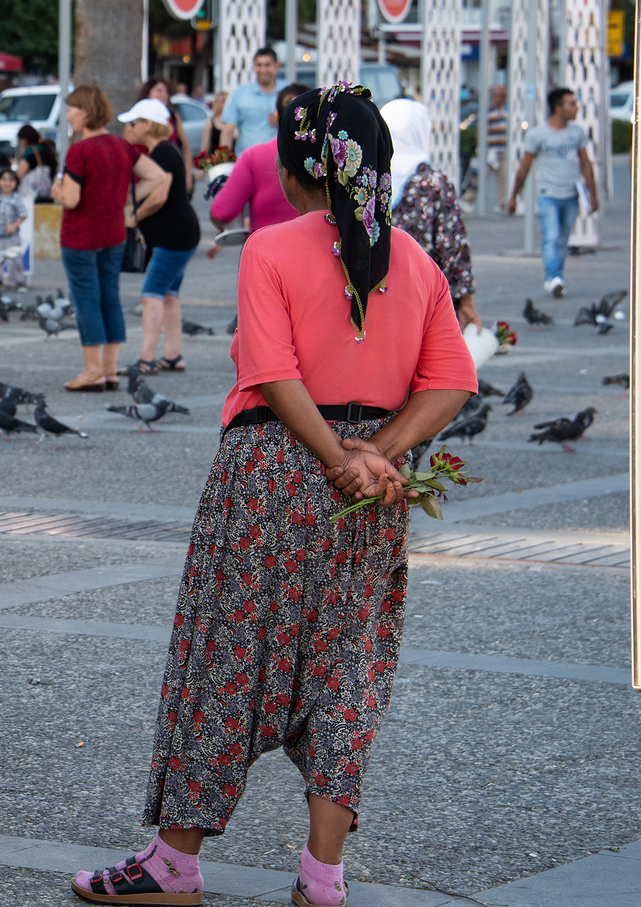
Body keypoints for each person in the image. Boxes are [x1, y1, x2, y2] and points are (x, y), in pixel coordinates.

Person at [71, 83, 474, 907]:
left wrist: (333, 457)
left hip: (272, 474)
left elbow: (274, 375)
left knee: (228, 660)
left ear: (297, 172)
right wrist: (379, 454)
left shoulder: (274, 249)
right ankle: (323, 878)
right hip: (373, 493)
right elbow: (452, 383)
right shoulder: (419, 262)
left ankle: (173, 863)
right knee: (346, 670)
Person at [53, 83, 168, 392]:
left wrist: (57, 192)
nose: (67, 116)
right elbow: (157, 176)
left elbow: (72, 199)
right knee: (109, 297)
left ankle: (91, 370)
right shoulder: (121, 146)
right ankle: (109, 369)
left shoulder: (80, 150)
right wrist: (126, 202)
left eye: (70, 110)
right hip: (114, 233)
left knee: (86, 299)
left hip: (80, 236)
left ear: (85, 112)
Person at [384, 99, 481, 331]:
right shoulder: (432, 181)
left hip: (373, 289)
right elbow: (452, 243)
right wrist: (465, 298)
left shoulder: (364, 179)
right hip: (423, 291)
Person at [118, 99, 196, 374]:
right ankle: (173, 354)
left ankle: (146, 358)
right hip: (181, 234)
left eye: (134, 123)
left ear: (148, 125)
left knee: (151, 295)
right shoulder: (167, 151)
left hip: (172, 237)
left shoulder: (161, 154)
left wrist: (134, 216)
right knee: (168, 295)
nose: (130, 128)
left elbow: (160, 195)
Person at [510, 87, 599, 298]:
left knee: (562, 240)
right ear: (558, 108)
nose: (576, 108)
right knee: (551, 236)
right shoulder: (537, 134)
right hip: (547, 193)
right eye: (572, 104)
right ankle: (553, 278)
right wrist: (514, 195)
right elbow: (525, 166)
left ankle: (556, 276)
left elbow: (586, 163)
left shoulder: (576, 133)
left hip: (571, 194)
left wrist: (592, 193)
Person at [209, 83, 310, 257]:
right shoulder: (335, 156)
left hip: (267, 258)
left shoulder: (254, 156)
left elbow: (222, 212)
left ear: (277, 116)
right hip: (316, 255)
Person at [216, 48, 283, 156]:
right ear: (254, 67)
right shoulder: (239, 93)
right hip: (247, 160)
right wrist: (223, 160)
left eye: (267, 65)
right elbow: (227, 131)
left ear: (277, 66)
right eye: (259, 65)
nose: (263, 69)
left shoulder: (287, 92)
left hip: (280, 162)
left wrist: (282, 120)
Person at [138, 78, 189, 165]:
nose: (164, 95)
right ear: (147, 93)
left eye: (166, 92)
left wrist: (187, 175)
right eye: (159, 91)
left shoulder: (173, 117)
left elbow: (185, 147)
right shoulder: (138, 118)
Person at [484, 85, 509, 210]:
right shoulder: (488, 112)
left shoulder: (506, 112)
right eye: (500, 96)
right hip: (491, 149)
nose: (502, 99)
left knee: (503, 177)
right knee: (481, 175)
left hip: (502, 150)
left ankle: (502, 202)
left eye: (504, 96)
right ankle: (468, 198)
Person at [15, 124, 56, 199]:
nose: (20, 142)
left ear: (25, 139)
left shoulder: (29, 152)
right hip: (46, 191)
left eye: (20, 139)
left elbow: (19, 174)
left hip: (31, 194)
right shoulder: (45, 149)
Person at [200, 91, 235, 156]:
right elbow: (205, 143)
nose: (220, 105)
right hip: (215, 159)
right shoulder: (210, 121)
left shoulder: (234, 121)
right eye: (218, 102)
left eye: (223, 101)